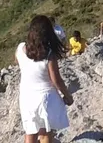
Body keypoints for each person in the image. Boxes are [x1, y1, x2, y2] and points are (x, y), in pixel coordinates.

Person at [17, 15, 74, 143]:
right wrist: (67, 96)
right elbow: (56, 80)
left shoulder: (20, 48)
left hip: (26, 97)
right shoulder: (48, 54)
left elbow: (17, 61)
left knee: (30, 132)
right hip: (45, 98)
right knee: (45, 133)